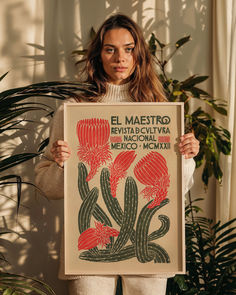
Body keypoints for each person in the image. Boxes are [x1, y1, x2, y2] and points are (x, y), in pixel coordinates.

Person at [35, 14, 199, 295]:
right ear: (98, 55)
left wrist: (186, 157)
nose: (119, 58)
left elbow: (178, 187)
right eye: (110, 49)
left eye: (128, 48)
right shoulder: (73, 109)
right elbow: (48, 188)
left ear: (139, 55)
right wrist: (62, 164)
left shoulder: (160, 110)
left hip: (146, 245)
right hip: (90, 248)